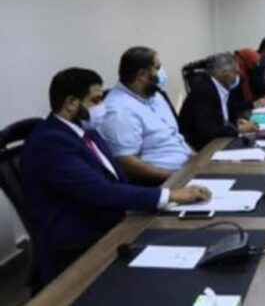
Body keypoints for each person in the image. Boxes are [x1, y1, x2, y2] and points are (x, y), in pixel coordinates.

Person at [21, 68, 210, 285]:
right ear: (71, 103)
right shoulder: (50, 143)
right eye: (96, 100)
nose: (102, 107)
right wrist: (169, 195)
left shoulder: (87, 132)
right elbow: (99, 191)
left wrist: (162, 199)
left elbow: (117, 180)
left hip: (108, 219)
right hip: (80, 241)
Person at [99, 47, 193, 185]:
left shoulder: (154, 95)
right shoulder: (119, 111)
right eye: (158, 68)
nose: (162, 72)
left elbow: (174, 136)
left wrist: (199, 161)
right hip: (161, 182)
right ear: (142, 75)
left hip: (187, 168)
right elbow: (126, 162)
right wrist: (175, 177)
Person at [179, 53, 258, 151]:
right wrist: (238, 130)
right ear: (225, 75)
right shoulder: (204, 92)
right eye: (236, 73)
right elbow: (208, 130)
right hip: (200, 148)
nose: (238, 77)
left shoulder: (223, 88)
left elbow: (223, 118)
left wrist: (235, 123)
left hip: (218, 141)